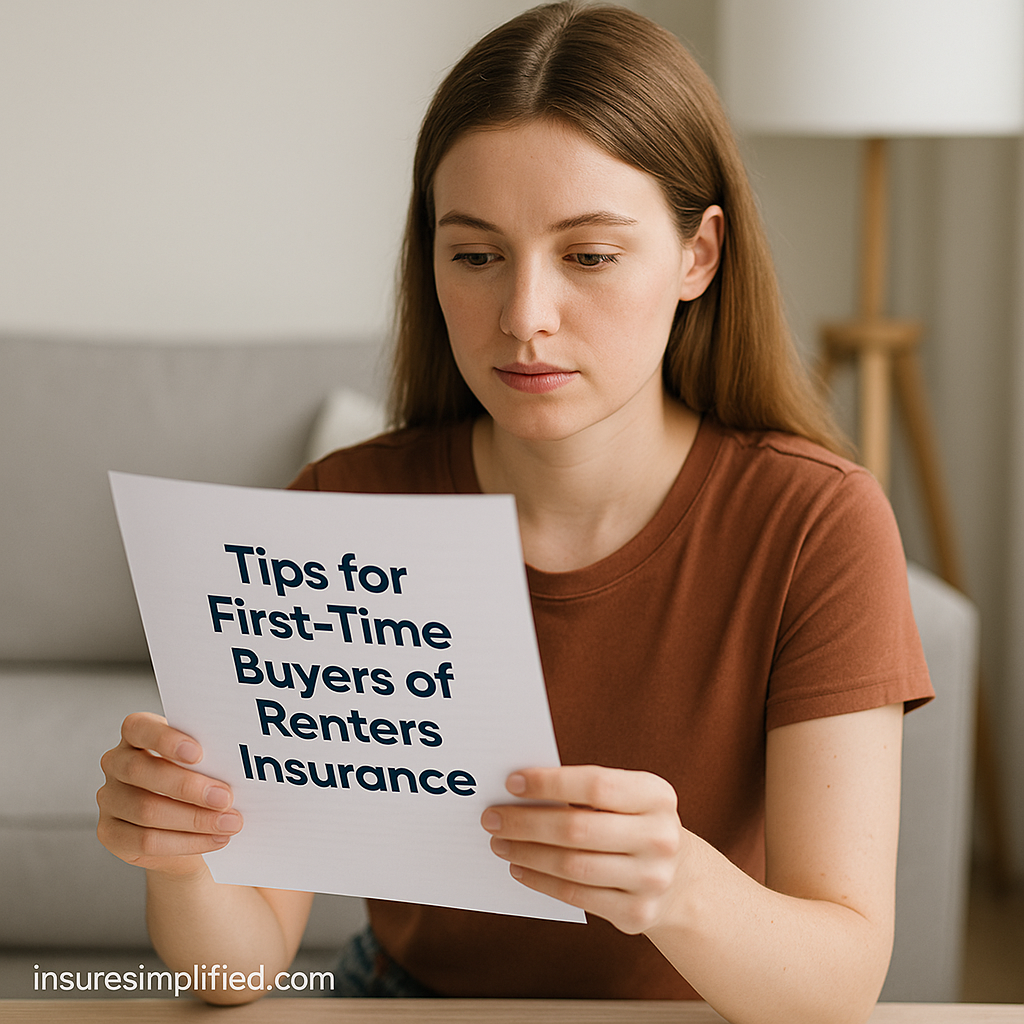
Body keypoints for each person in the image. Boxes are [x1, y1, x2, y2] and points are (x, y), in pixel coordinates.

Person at [96, 4, 934, 1021]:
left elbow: (841, 980)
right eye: (476, 255)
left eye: (586, 255)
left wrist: (677, 884)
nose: (523, 315)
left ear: (697, 256)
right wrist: (182, 860)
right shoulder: (340, 509)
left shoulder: (815, 524)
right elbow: (236, 973)